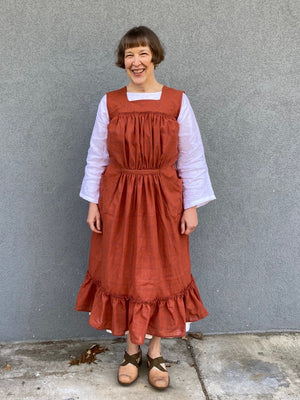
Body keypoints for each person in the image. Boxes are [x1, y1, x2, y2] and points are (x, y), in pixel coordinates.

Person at [75, 26, 216, 390]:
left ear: (154, 56)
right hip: (119, 198)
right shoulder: (110, 103)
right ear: (122, 61)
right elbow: (97, 156)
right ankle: (130, 351)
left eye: (142, 53)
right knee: (125, 270)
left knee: (162, 272)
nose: (135, 62)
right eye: (128, 55)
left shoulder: (176, 102)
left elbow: (192, 157)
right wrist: (93, 202)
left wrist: (191, 205)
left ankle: (155, 353)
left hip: (164, 199)